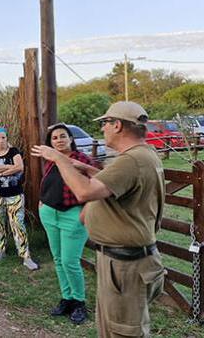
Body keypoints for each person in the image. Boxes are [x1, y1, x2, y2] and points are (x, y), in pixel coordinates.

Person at [32, 102, 166, 337]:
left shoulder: (130, 161)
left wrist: (59, 158)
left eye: (104, 123)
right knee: (112, 328)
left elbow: (85, 192)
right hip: (121, 261)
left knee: (123, 331)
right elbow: (110, 186)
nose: (102, 129)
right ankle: (68, 298)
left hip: (126, 264)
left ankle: (77, 301)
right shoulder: (142, 156)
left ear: (117, 125)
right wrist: (82, 166)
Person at [39, 123, 99, 324]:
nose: (59, 140)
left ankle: (79, 302)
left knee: (70, 261)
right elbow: (49, 183)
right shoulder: (50, 161)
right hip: (49, 213)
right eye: (54, 138)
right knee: (57, 258)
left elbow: (98, 183)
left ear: (71, 138)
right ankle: (67, 298)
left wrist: (87, 209)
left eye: (63, 136)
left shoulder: (81, 160)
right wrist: (42, 202)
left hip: (72, 215)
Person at [0, 127, 39, 271]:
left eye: (3, 137)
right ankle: (0, 250)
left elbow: (20, 167)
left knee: (18, 224)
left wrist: (2, 170)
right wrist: (11, 168)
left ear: (7, 138)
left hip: (14, 195)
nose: (1, 140)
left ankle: (25, 256)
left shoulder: (14, 151)